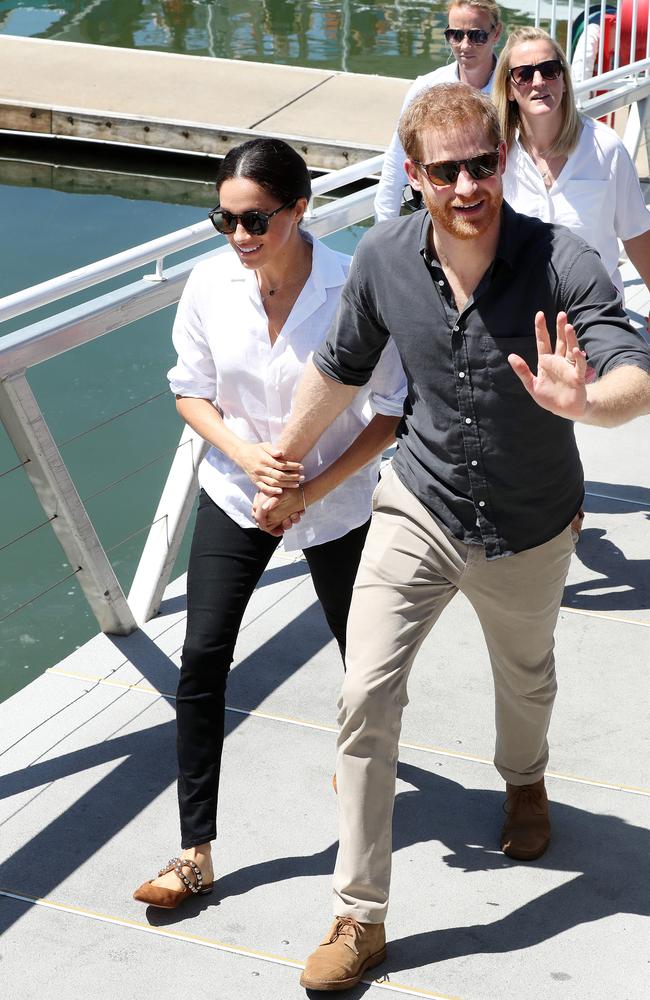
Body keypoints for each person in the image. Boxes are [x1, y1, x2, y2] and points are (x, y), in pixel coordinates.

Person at [256, 83, 650, 990]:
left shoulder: (561, 258)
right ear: (415, 174)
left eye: (482, 163)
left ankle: (525, 778)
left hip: (530, 519)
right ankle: (359, 915)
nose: (468, 184)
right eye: (446, 171)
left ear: (501, 159)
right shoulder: (386, 258)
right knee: (364, 693)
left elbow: (634, 365)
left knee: (527, 677)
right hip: (422, 502)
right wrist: (283, 457)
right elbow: (341, 367)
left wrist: (588, 401)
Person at [132, 137, 405, 910]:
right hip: (234, 493)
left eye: (256, 220)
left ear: (299, 209)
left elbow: (388, 411)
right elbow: (190, 392)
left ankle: (362, 780)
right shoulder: (210, 283)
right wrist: (250, 459)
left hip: (340, 502)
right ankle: (195, 852)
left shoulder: (353, 286)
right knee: (202, 660)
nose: (240, 237)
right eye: (226, 220)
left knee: (369, 671)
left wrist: (310, 487)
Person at [493, 26, 650, 299]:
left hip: (595, 316)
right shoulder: (495, 158)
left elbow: (636, 233)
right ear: (509, 89)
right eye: (524, 74)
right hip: (520, 320)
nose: (539, 81)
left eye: (550, 69)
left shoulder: (606, 149)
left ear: (564, 81)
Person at [374, 0, 502, 222]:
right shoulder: (425, 87)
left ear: (496, 33)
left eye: (476, 36)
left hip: (499, 217)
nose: (464, 45)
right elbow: (396, 159)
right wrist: (383, 227)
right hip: (439, 217)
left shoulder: (515, 88)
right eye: (455, 35)